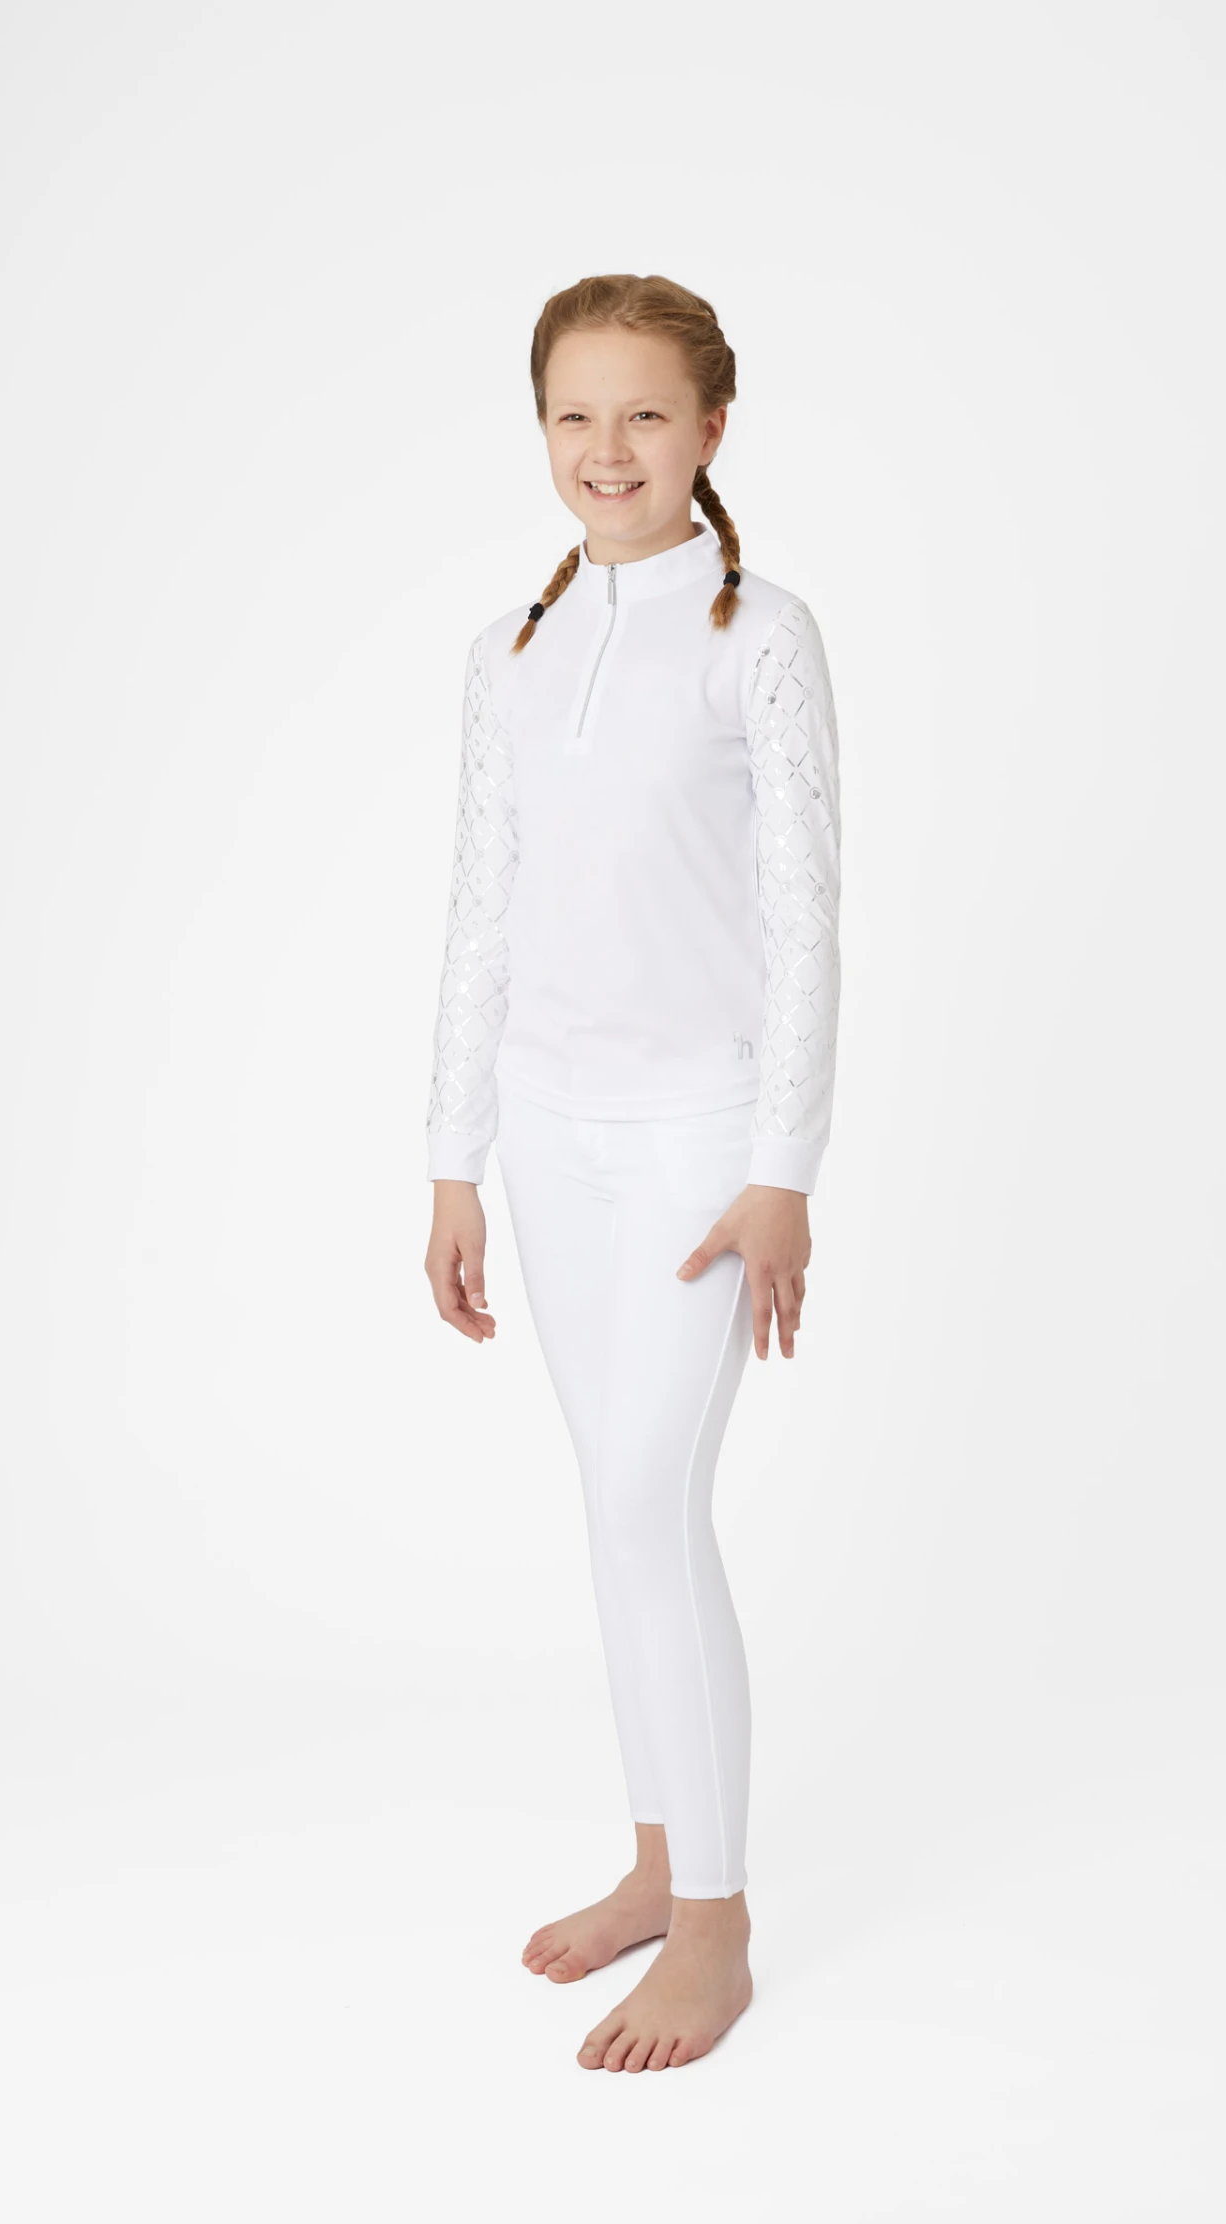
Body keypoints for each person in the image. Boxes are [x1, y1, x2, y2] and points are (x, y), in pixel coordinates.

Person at [421, 272, 843, 2071]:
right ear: (542, 429)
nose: (609, 449)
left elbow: (806, 916)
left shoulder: (762, 638)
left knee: (647, 1504)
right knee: (614, 1506)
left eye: (647, 414)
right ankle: (665, 1859)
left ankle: (721, 1923)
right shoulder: (508, 651)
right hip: (545, 1135)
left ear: (711, 430)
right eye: (575, 415)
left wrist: (783, 1166)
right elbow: (482, 905)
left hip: (698, 1139)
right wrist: (453, 1156)